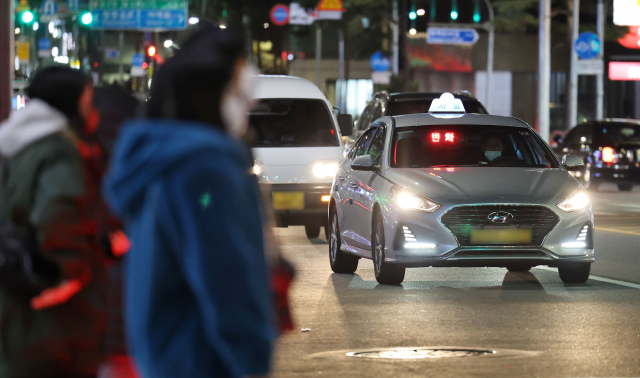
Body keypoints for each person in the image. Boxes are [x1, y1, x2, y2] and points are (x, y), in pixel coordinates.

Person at [103, 26, 277, 378]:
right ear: (211, 91)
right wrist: (252, 358)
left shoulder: (165, 160)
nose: (251, 103)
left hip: (169, 358)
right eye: (240, 91)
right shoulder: (204, 171)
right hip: (204, 362)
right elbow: (225, 278)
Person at [0, 66, 108, 377]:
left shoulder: (19, 147)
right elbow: (58, 211)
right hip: (55, 318)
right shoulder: (60, 149)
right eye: (88, 102)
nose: (92, 111)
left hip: (18, 296)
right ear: (70, 103)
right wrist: (69, 274)